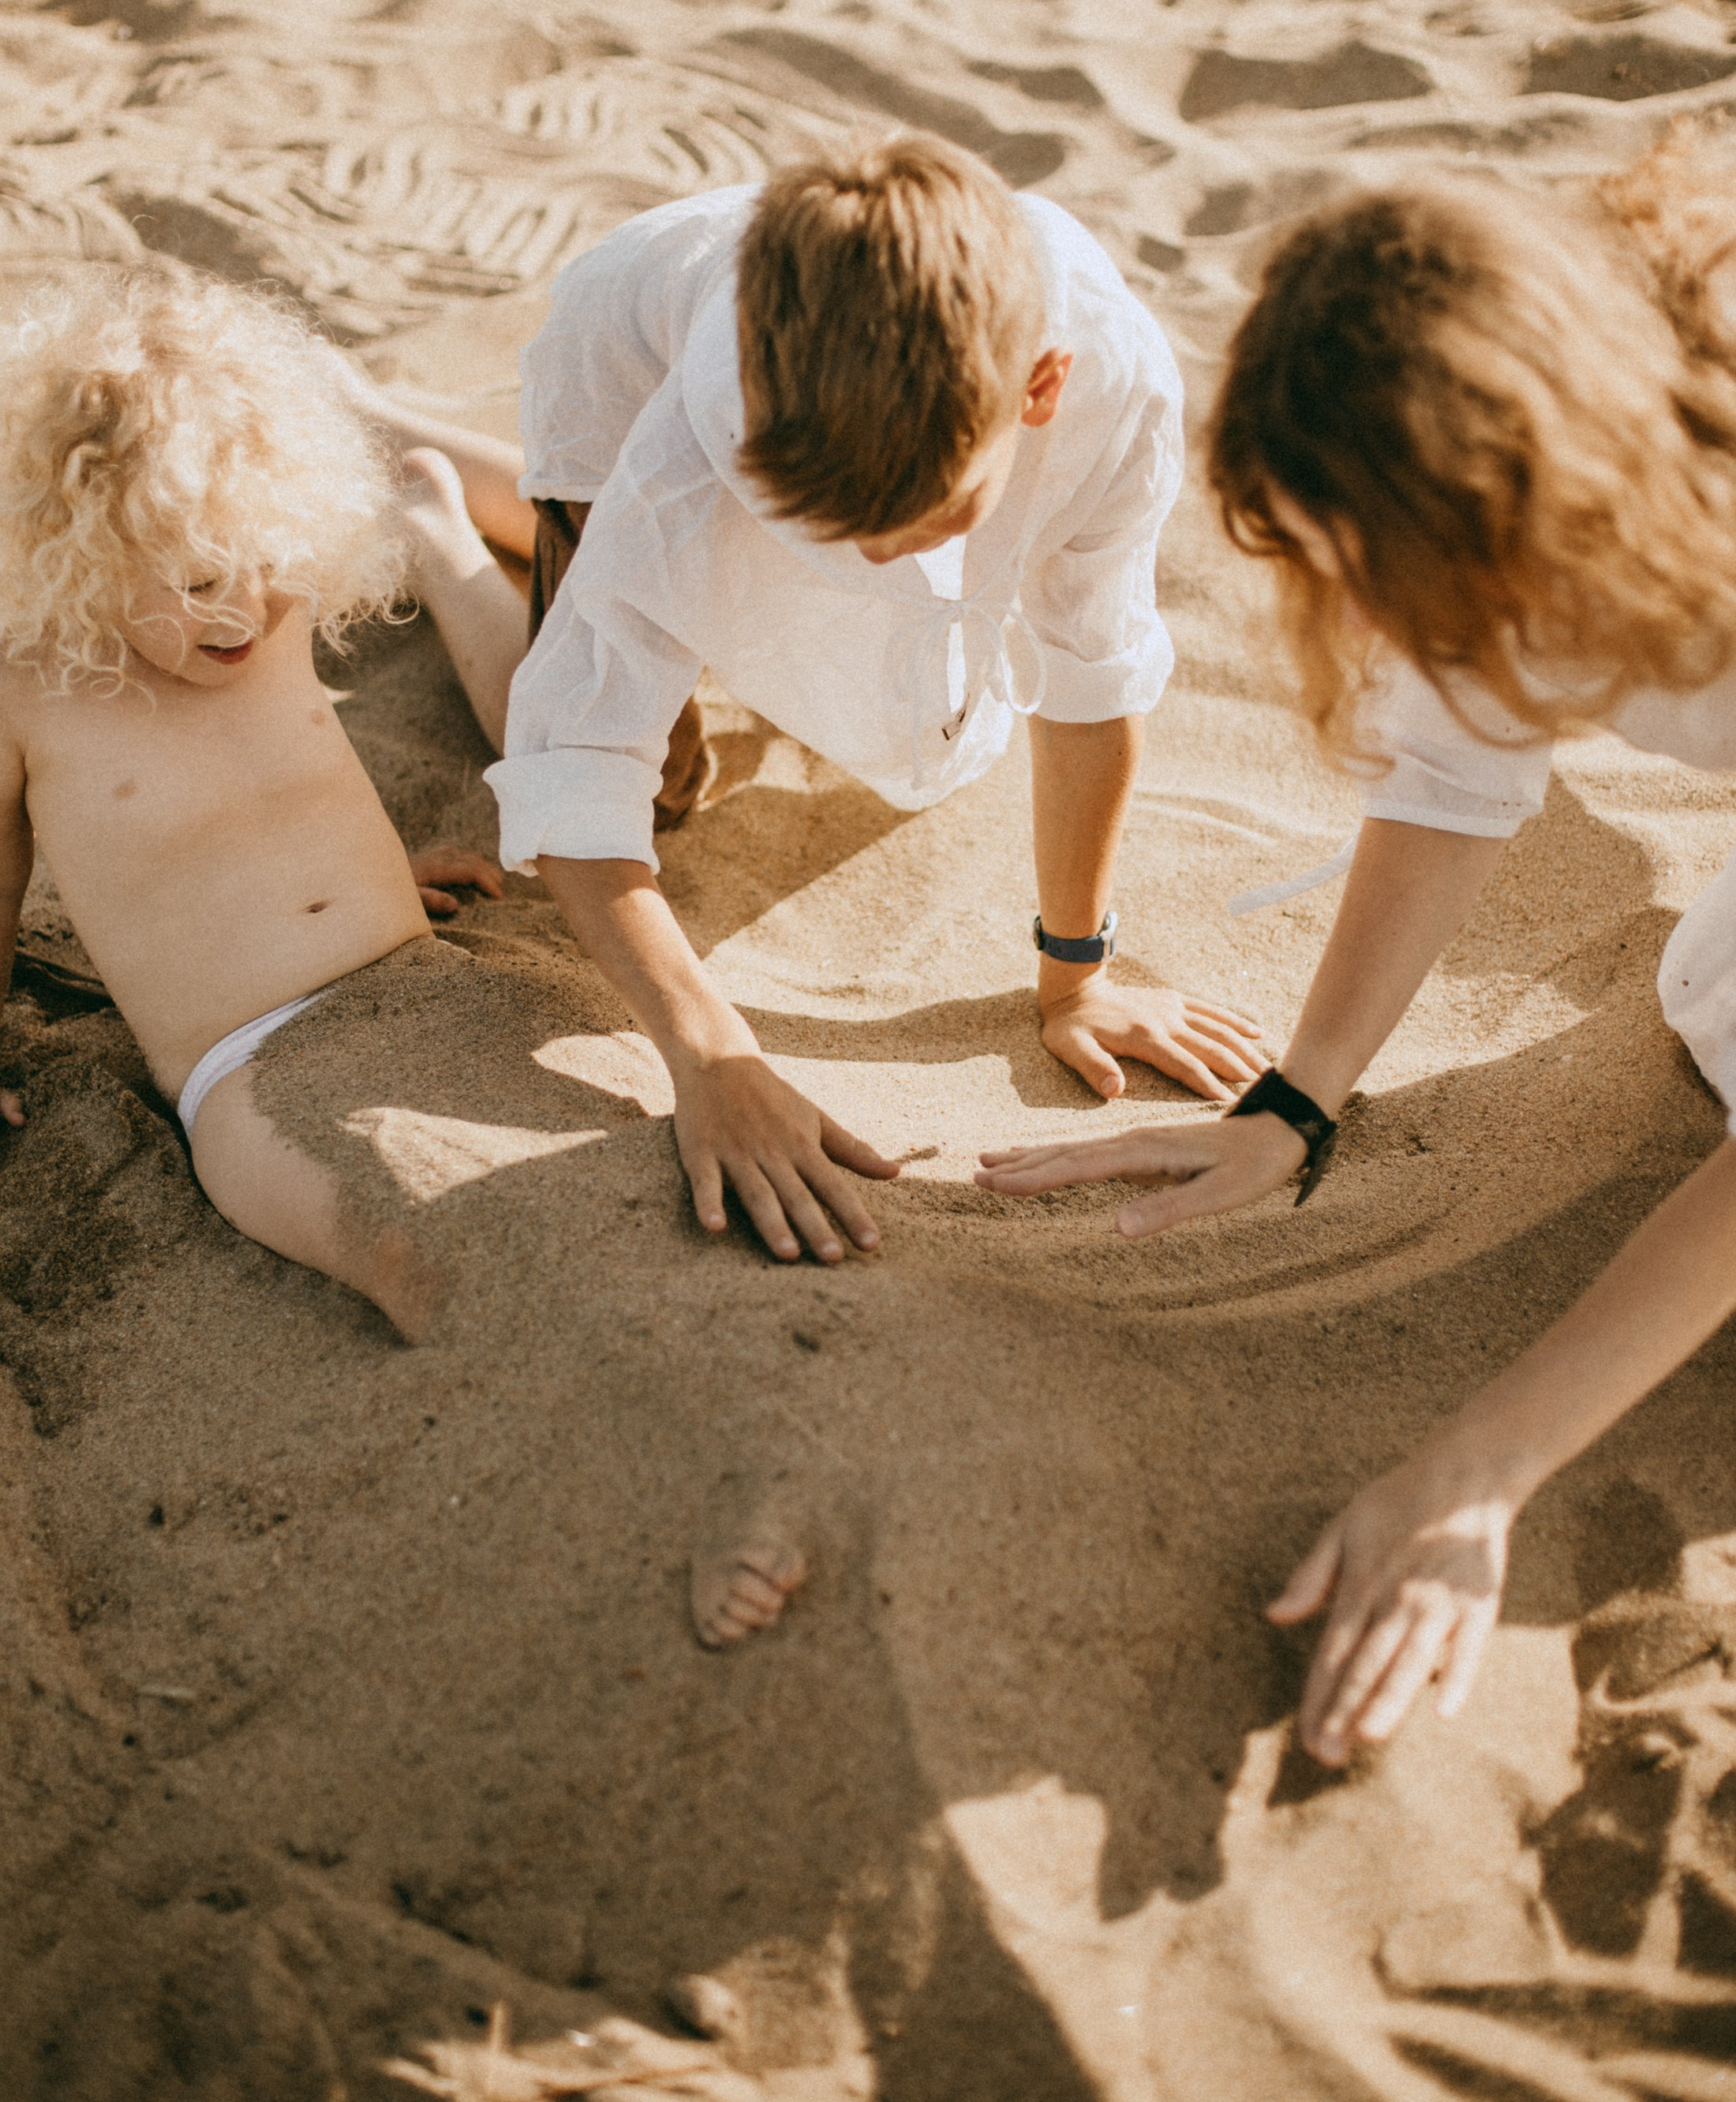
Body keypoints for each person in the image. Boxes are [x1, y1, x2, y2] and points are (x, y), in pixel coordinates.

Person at [975, 129, 1736, 1767]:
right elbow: (1452, 773)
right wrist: (1294, 1101)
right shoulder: (1521, 431)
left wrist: (1479, 1471)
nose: (1376, 631)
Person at [488, 133, 1268, 1268]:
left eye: (935, 516)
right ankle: (446, 506)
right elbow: (572, 767)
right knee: (653, 785)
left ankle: (469, 481)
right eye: (828, 528)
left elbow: (1091, 679)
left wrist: (1075, 982)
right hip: (626, 363)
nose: (876, 560)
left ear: (1041, 388)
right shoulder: (699, 438)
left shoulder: (1119, 387)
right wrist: (713, 1058)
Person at [0, 259, 529, 1328]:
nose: (245, 607)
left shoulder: (262, 609)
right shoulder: (32, 686)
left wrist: (377, 863)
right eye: (198, 582)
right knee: (416, 1256)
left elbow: (283, 774)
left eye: (269, 558)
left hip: (415, 980)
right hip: (245, 1067)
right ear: (85, 554)